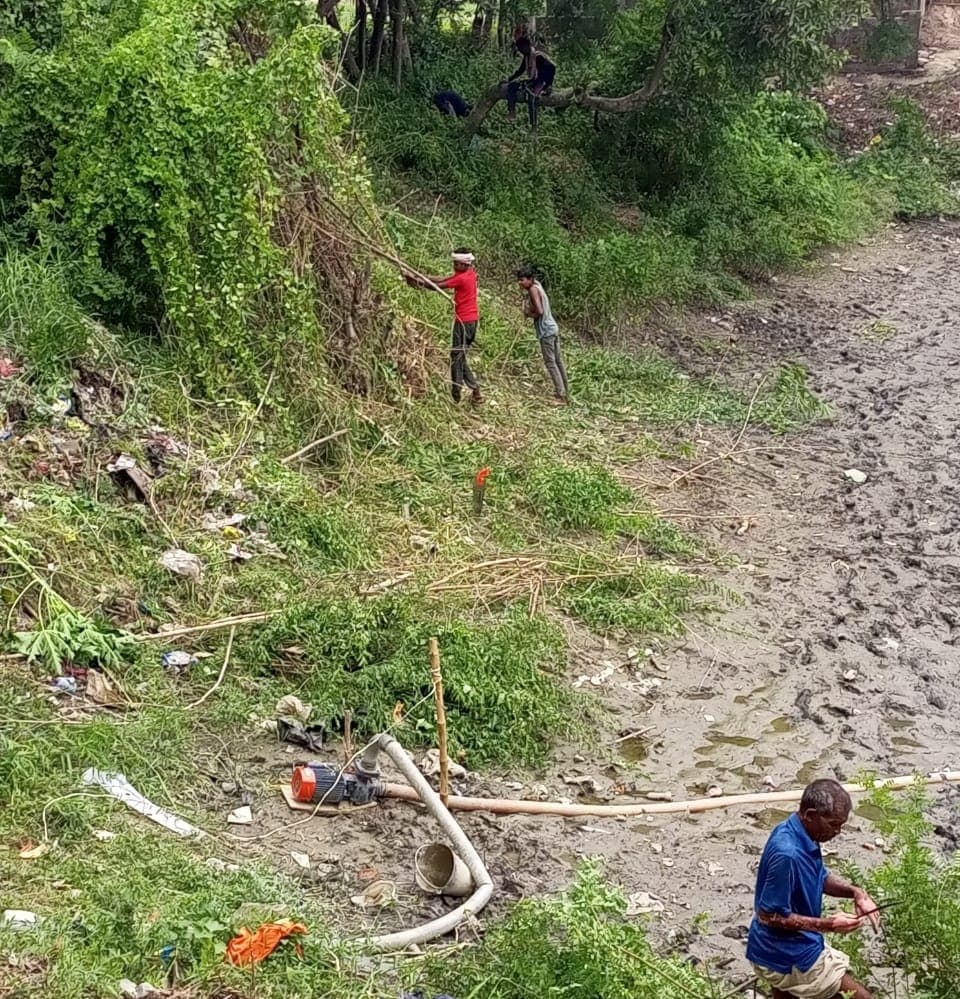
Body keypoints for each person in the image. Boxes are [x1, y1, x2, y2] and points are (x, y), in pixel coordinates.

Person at [747, 779, 881, 999]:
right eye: (833, 824)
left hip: (775, 948)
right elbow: (769, 916)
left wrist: (856, 893)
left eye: (841, 825)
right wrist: (829, 925)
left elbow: (819, 876)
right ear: (810, 815)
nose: (837, 831)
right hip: (783, 954)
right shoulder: (787, 854)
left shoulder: (797, 831)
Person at [405, 249, 483, 404]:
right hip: (472, 321)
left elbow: (438, 286)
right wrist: (420, 275)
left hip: (463, 322)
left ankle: (457, 391)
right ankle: (475, 391)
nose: (454, 266)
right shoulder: (470, 274)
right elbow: (444, 279)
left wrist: (417, 281)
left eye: (456, 263)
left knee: (456, 356)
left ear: (463, 263)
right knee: (459, 355)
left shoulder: (462, 279)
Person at [516, 267, 569, 405]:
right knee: (558, 361)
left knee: (550, 363)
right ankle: (565, 391)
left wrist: (528, 314)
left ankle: (560, 395)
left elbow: (539, 311)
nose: (520, 283)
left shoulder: (533, 289)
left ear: (530, 279)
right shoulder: (536, 286)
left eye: (522, 280)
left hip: (546, 331)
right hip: (553, 328)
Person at [505, 36, 556, 127]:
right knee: (512, 86)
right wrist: (509, 79)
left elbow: (552, 68)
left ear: (527, 46)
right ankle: (511, 111)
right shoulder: (526, 57)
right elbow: (520, 71)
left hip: (542, 81)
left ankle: (534, 126)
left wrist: (549, 85)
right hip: (533, 80)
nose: (520, 51)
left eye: (521, 48)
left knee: (532, 98)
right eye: (519, 49)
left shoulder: (538, 56)